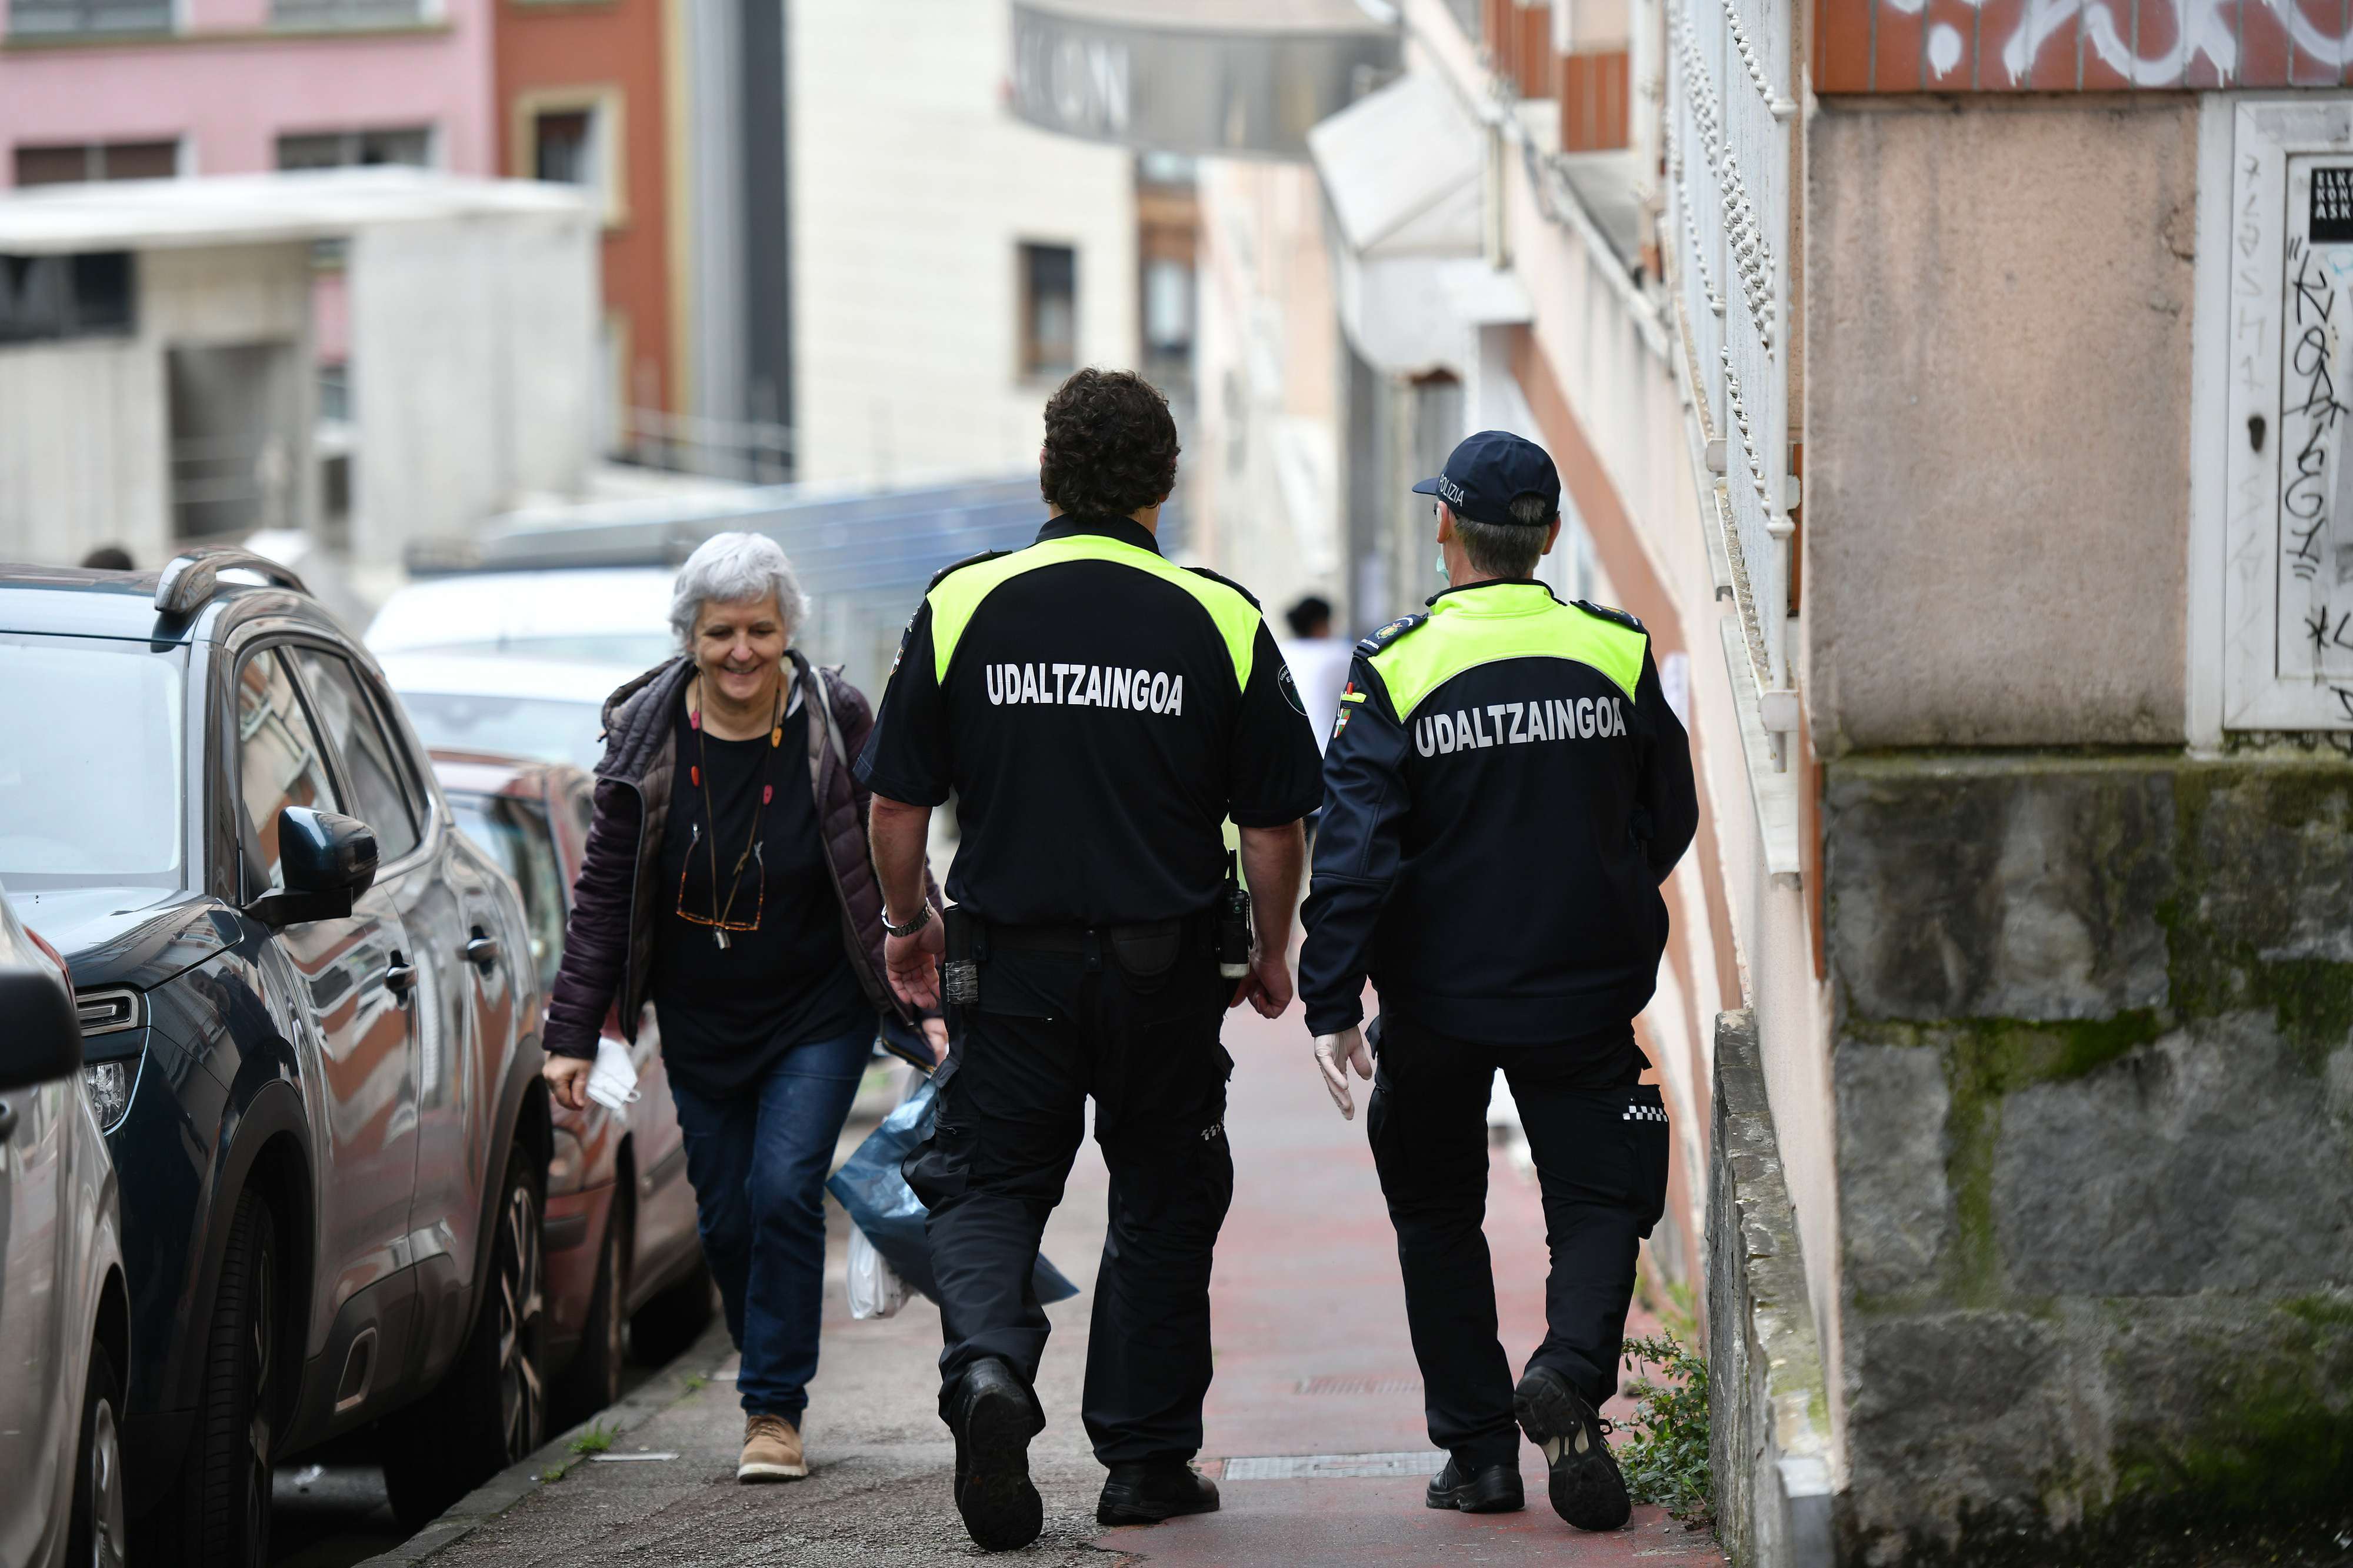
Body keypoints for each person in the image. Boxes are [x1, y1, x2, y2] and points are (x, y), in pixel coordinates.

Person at [858, 368, 1322, 1552]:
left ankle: (989, 1374)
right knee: (1165, 1190)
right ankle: (1145, 1461)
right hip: (1164, 970)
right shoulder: (1215, 616)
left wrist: (906, 924)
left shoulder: (962, 604)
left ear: (1049, 476)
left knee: (988, 1180)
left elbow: (898, 801)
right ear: (1162, 484)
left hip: (1008, 966)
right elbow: (1274, 824)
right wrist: (1270, 951)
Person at [1297, 430, 1698, 1531]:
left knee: (1435, 1210)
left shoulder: (1396, 664)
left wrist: (1331, 998)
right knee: (1602, 1191)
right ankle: (1568, 1366)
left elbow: (1357, 847)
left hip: (1437, 1000)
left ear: (1445, 528)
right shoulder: (1617, 652)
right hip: (1581, 990)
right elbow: (1670, 813)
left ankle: (1478, 1454)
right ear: (1552, 537)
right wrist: (1602, 888)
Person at [540, 532, 945, 1485]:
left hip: (817, 1006)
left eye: (761, 629)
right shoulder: (648, 732)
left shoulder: (833, 716)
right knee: (723, 1218)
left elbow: (892, 849)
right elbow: (602, 893)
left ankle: (773, 1409)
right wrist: (571, 1032)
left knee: (782, 1190)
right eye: (721, 631)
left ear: (786, 628)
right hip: (699, 1016)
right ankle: (767, 1366)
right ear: (690, 636)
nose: (742, 652)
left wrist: (925, 972)